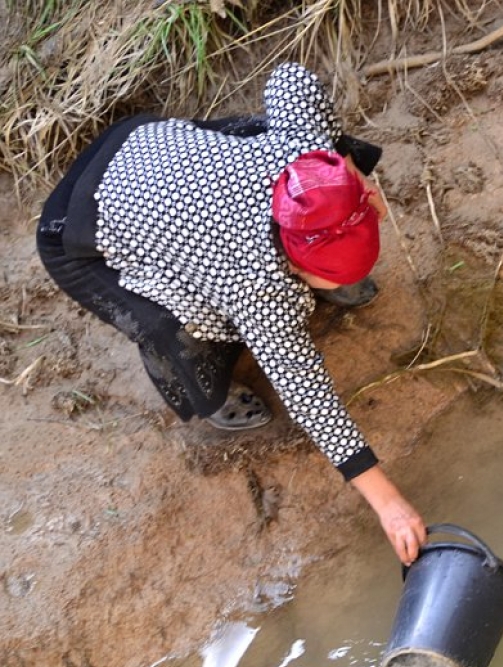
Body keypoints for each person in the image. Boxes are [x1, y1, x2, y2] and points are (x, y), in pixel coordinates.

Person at [35, 62, 426, 565]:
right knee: (185, 324)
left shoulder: (307, 163)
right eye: (332, 275)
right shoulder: (255, 282)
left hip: (147, 153)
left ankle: (331, 257)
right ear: (291, 263)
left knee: (267, 136)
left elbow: (290, 76)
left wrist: (341, 177)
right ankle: (211, 398)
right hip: (78, 227)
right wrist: (388, 503)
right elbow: (303, 387)